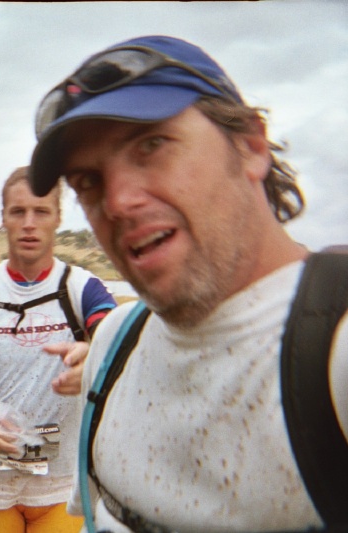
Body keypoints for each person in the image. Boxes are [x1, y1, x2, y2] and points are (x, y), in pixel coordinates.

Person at [28, 35, 348, 531]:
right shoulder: (114, 345)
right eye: (88, 181)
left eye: (151, 145)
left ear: (249, 146)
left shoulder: (335, 349)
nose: (117, 202)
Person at [0, 167, 117, 532]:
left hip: (61, 491)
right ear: (3, 220)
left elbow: (120, 346)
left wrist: (98, 359)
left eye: (41, 212)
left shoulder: (83, 289)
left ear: (58, 218)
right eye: (18, 212)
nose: (29, 223)